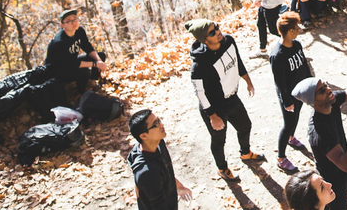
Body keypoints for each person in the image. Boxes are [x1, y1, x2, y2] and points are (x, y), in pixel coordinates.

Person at [186, 19, 265, 183]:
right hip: (214, 108)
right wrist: (212, 116)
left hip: (232, 98)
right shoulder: (199, 65)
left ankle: (246, 153)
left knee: (245, 126)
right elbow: (200, 93)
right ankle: (222, 168)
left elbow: (238, 62)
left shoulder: (228, 41)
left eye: (216, 27)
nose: (217, 32)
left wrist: (248, 81)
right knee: (219, 140)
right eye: (212, 32)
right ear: (205, 40)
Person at [292, 75, 347, 210]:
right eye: (322, 91)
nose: (329, 90)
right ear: (313, 101)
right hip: (332, 180)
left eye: (326, 85)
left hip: (343, 175)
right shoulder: (319, 131)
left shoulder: (330, 100)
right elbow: (345, 164)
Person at [269, 12, 313, 173]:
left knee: (296, 118)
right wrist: (287, 102)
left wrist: (310, 83)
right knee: (288, 124)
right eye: (296, 27)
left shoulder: (297, 45)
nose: (299, 29)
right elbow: (280, 83)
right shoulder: (277, 55)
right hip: (288, 96)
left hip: (301, 91)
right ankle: (281, 157)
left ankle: (290, 138)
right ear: (290, 31)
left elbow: (304, 66)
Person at [127, 109, 192, 209]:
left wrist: (178, 186)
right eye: (156, 124)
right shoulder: (148, 172)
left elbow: (164, 170)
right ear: (144, 136)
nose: (161, 125)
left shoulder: (157, 142)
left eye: (159, 120)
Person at [45, 8, 108, 93]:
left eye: (75, 19)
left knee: (100, 55)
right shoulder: (59, 42)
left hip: (71, 63)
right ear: (62, 25)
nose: (73, 23)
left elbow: (88, 48)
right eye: (69, 21)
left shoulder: (79, 31)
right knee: (84, 72)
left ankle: (92, 83)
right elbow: (72, 64)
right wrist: (95, 64)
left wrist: (98, 60)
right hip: (58, 70)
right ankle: (82, 93)